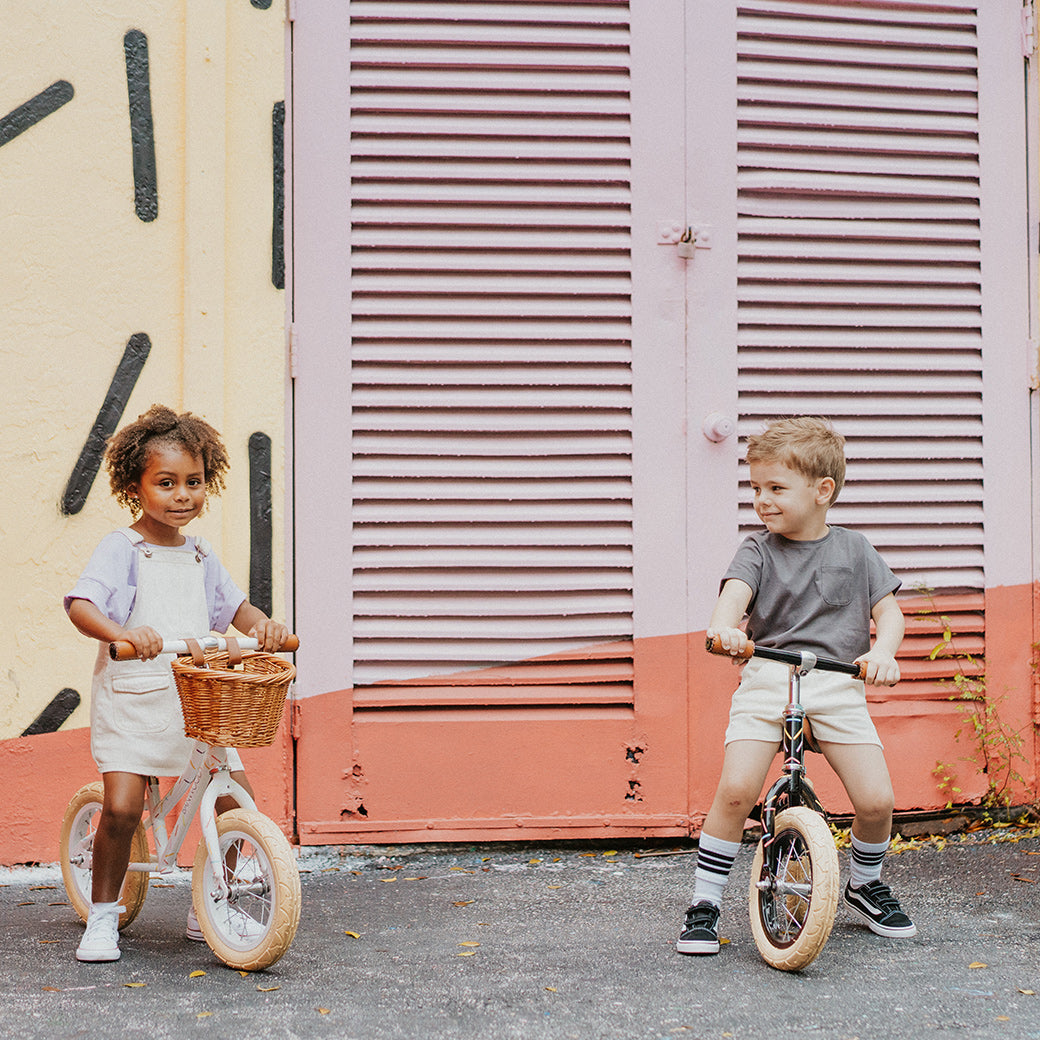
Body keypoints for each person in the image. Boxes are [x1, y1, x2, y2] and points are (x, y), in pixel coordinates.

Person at [677, 416, 915, 956]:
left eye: (776, 488)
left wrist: (882, 652)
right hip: (768, 675)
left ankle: (864, 883)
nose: (762, 500)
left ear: (822, 490)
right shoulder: (757, 551)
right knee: (736, 790)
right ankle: (705, 902)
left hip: (836, 680)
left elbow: (890, 614)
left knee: (877, 800)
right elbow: (731, 603)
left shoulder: (855, 549)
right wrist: (726, 630)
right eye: (756, 487)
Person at [65, 404, 290, 963]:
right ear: (134, 487)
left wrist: (262, 626)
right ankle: (103, 914)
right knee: (122, 808)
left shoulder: (201, 554)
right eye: (165, 483)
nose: (182, 495)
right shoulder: (123, 548)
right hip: (135, 699)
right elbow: (81, 605)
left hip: (196, 700)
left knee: (236, 799)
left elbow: (235, 608)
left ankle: (211, 899)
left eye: (194, 481)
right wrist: (121, 632)